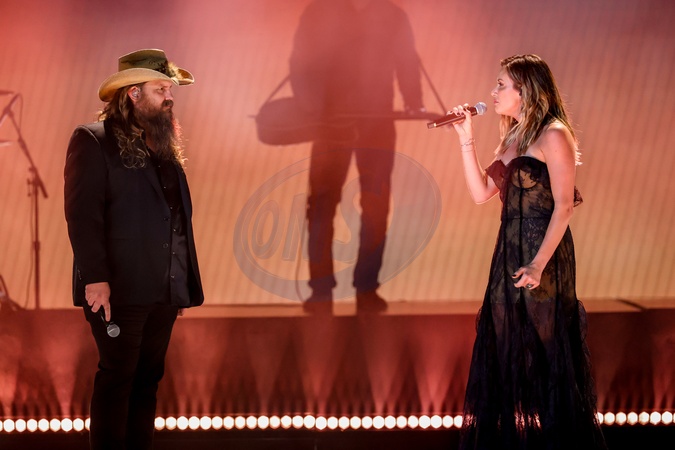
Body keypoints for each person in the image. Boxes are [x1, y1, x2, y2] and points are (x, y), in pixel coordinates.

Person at [446, 54, 608, 449]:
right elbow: (481, 193)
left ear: (526, 90)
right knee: (505, 354)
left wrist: (537, 264)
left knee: (549, 359)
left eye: (501, 85)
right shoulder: (514, 138)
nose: (493, 92)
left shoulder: (554, 134)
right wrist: (466, 138)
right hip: (508, 256)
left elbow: (564, 206)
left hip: (544, 258)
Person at [64, 49, 204, 450]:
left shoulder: (163, 147)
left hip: (163, 289)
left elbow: (174, 219)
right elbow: (82, 216)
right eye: (161, 89)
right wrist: (95, 278)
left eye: (170, 90)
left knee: (147, 381)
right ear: (133, 93)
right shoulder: (93, 140)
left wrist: (177, 281)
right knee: (118, 377)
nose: (170, 97)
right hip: (118, 290)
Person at [290, 0, 425, 314]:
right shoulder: (323, 12)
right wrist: (309, 105)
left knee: (369, 206)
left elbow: (407, 61)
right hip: (333, 125)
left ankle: (358, 288)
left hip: (368, 124)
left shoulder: (386, 15)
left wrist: (413, 99)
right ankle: (327, 290)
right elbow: (300, 61)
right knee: (324, 207)